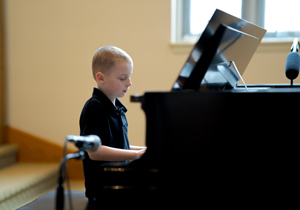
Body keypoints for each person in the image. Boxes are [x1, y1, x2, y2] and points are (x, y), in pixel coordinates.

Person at [79, 46, 146, 209]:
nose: (129, 83)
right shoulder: (94, 108)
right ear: (101, 78)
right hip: (103, 188)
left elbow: (119, 145)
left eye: (129, 77)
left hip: (118, 180)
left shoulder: (117, 108)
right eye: (123, 78)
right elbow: (95, 152)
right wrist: (136, 154)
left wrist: (146, 150)